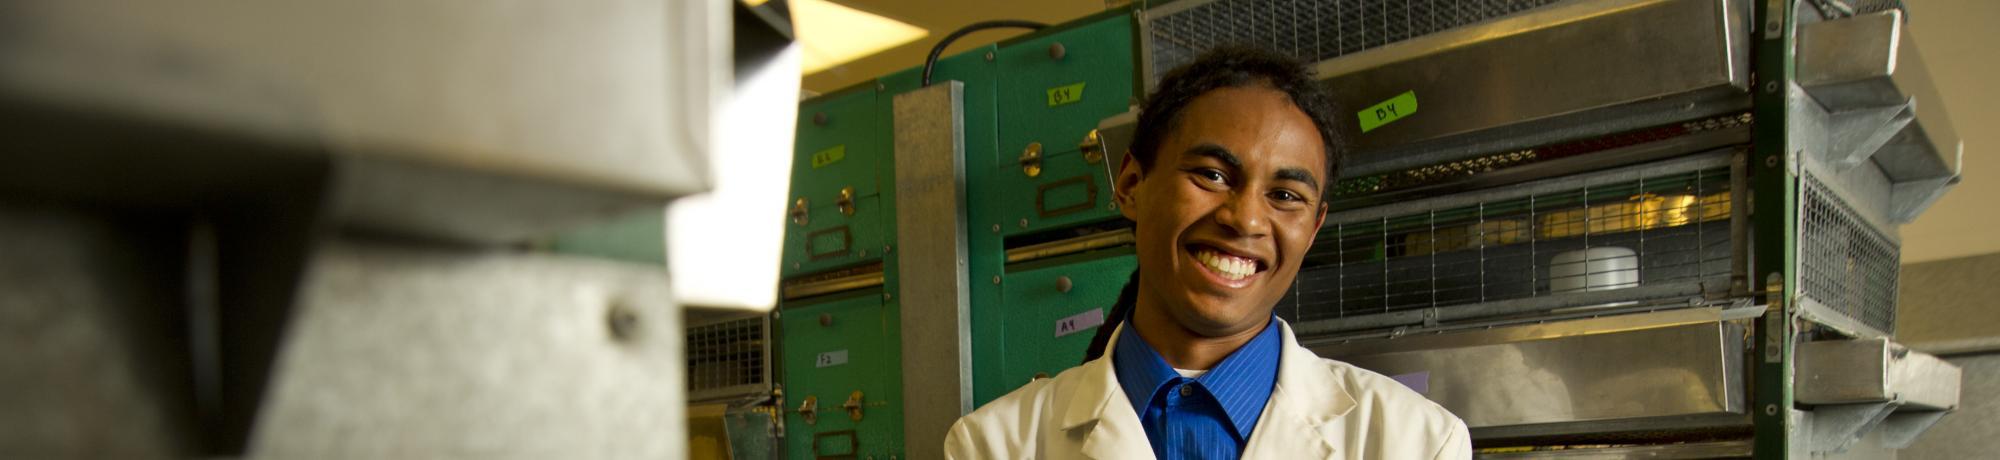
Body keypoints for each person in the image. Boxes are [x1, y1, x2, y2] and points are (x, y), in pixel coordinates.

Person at [943, 47, 1471, 459]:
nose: (1244, 219)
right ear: (1130, 184)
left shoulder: (1416, 443)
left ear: (1312, 229)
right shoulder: (993, 446)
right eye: (1212, 175)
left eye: (1286, 196)